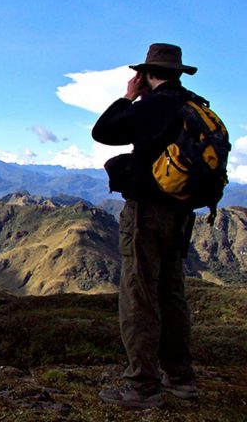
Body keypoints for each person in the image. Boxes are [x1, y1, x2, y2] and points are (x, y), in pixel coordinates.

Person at [92, 43, 201, 409]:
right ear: (178, 72)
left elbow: (103, 131)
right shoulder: (194, 105)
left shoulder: (155, 105)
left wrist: (128, 97)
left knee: (139, 293)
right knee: (171, 292)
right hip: (181, 214)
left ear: (147, 73)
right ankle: (181, 378)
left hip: (147, 214)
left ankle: (142, 386)